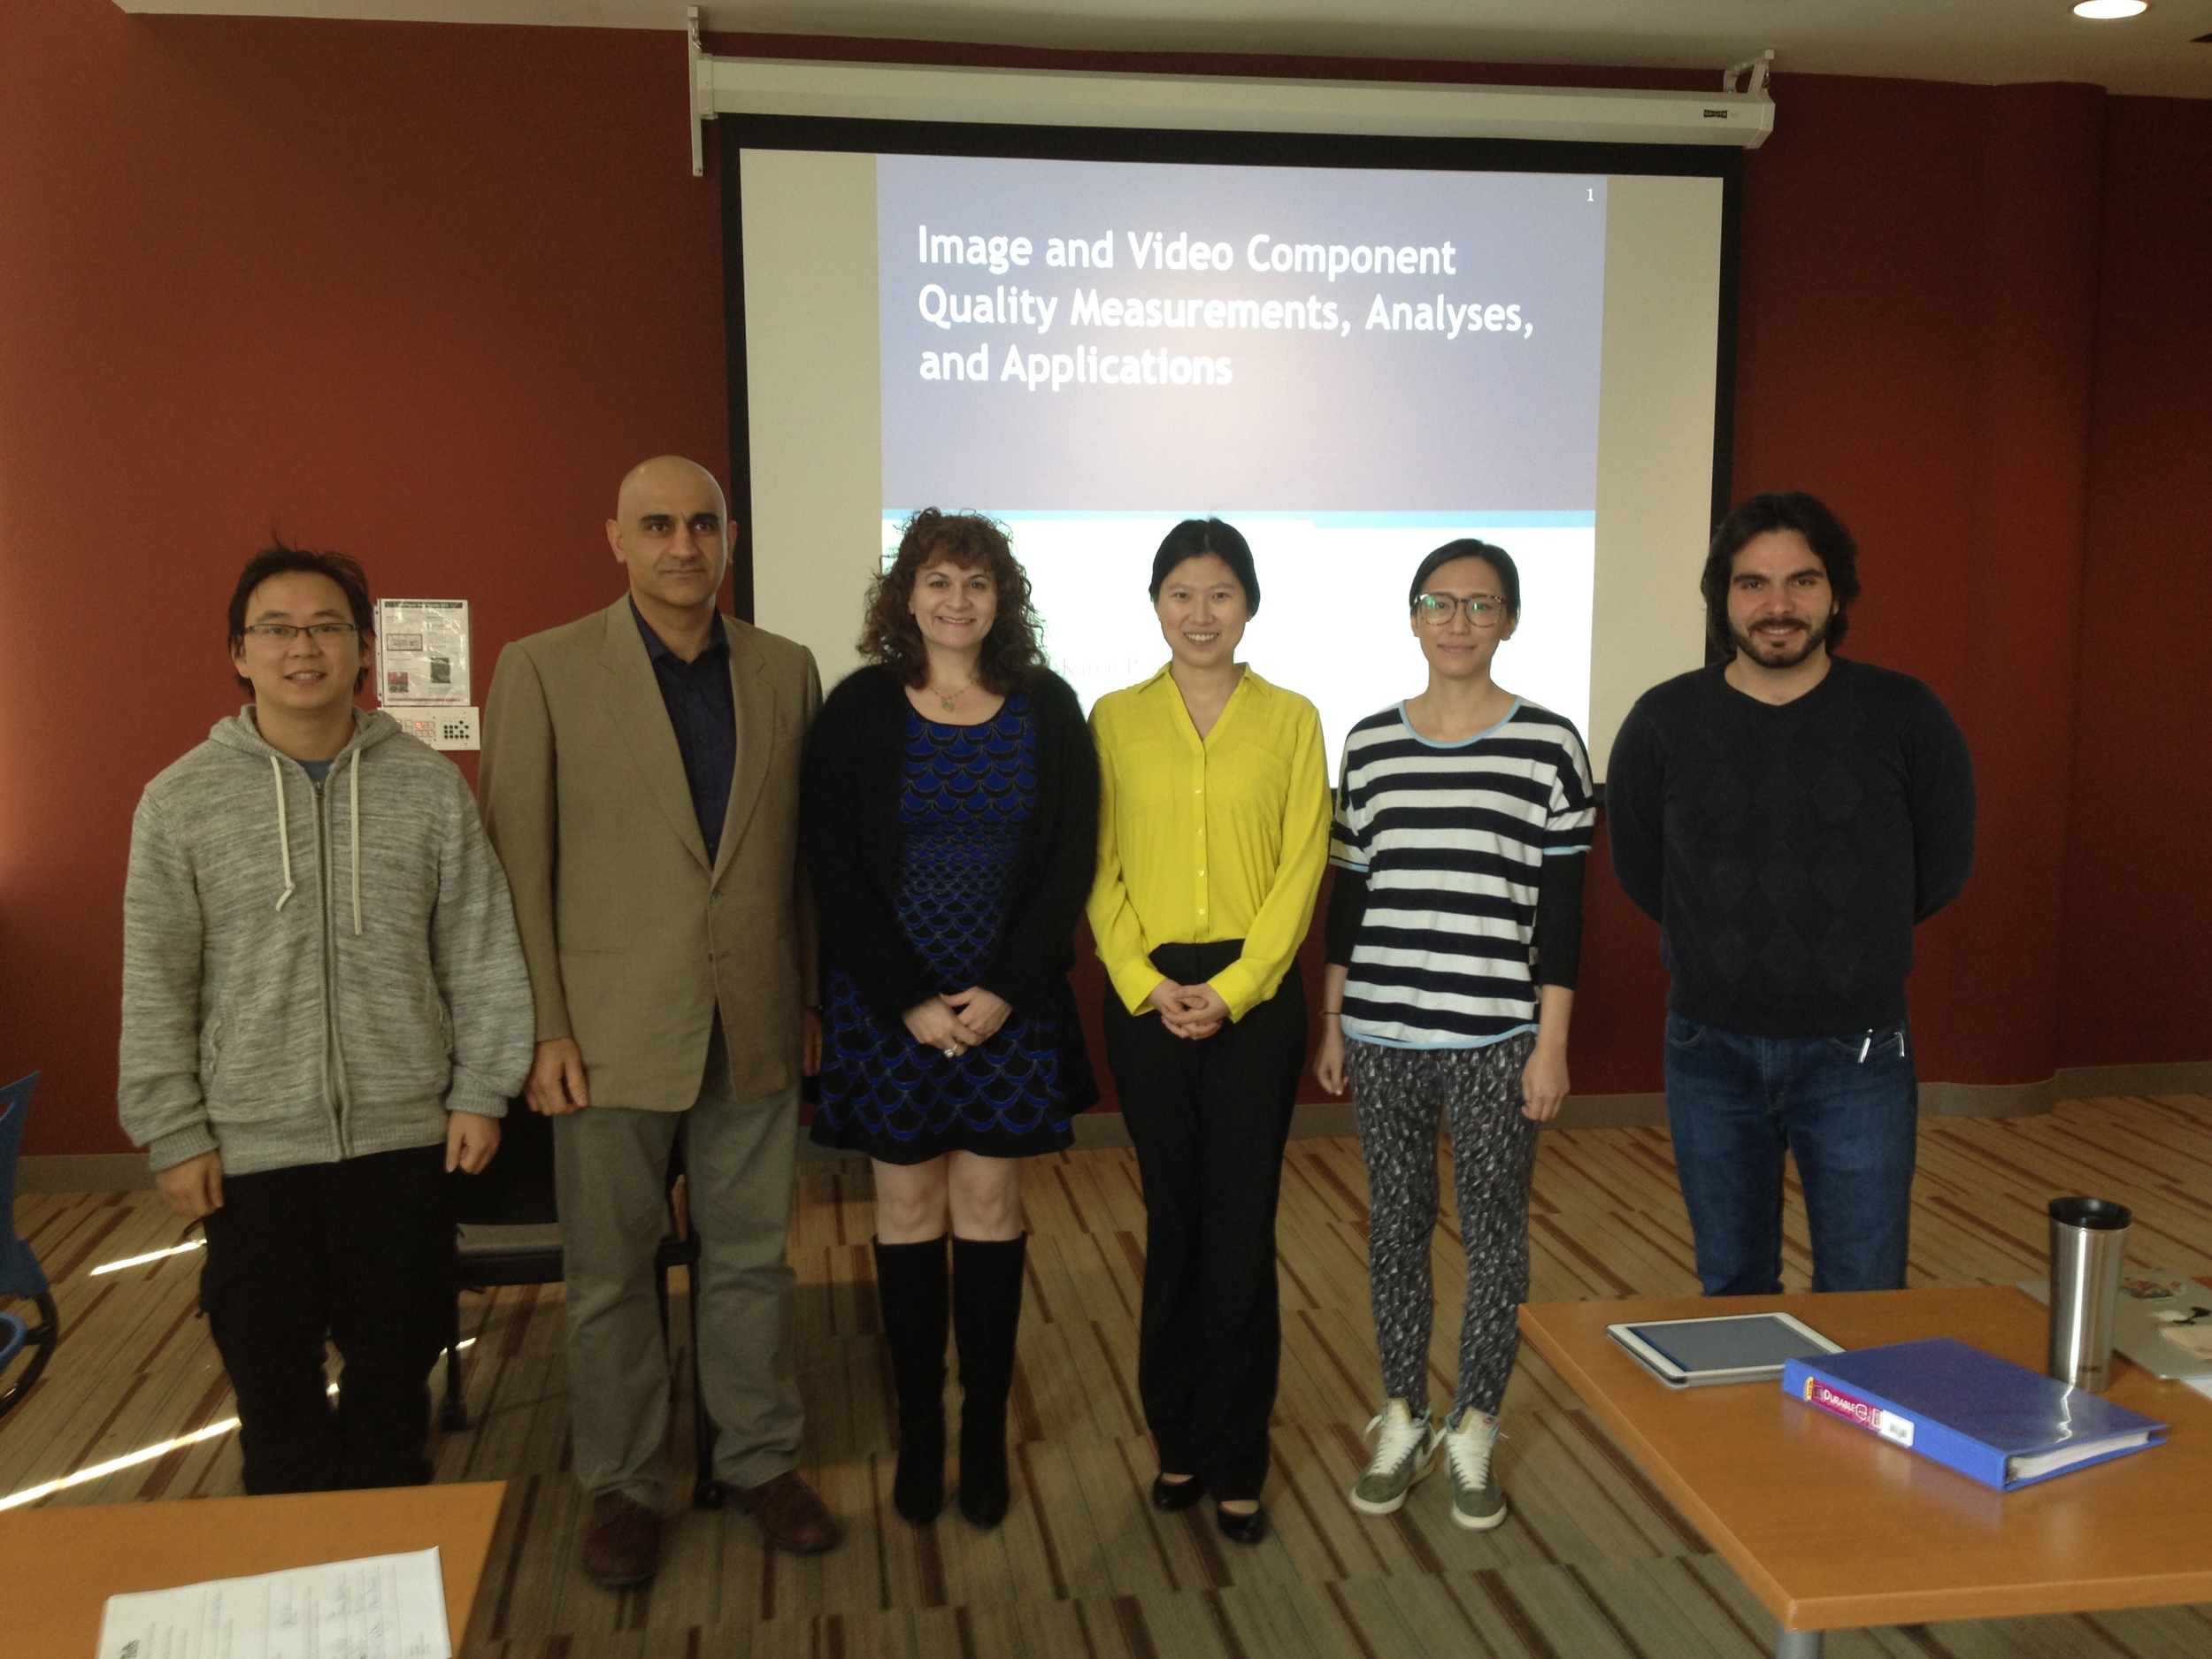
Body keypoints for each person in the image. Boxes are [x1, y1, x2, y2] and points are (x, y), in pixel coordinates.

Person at [478, 456, 832, 1587]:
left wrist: (811, 994)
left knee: (750, 1266)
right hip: (605, 1035)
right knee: (612, 1277)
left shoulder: (786, 670)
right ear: (616, 540)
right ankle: (624, 1486)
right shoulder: (540, 670)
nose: (684, 544)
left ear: (728, 538)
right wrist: (542, 1029)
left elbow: (803, 864)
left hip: (757, 1020)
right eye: (658, 525)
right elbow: (517, 868)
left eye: (703, 524)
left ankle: (758, 1460)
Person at [119, 543, 534, 1494]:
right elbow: (156, 978)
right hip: (252, 1155)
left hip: (405, 1142)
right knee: (278, 1411)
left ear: (361, 648)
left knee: (395, 1397)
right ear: (238, 652)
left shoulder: (428, 786)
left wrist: (481, 1090)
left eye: (326, 628)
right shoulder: (179, 802)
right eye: (277, 629)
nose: (302, 648)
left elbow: (477, 948)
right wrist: (173, 1129)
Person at [800, 510, 1098, 1531]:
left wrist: (1009, 986)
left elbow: (1070, 861)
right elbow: (831, 868)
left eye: (976, 581)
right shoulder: (860, 710)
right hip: (891, 1010)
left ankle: (981, 1433)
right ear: (906, 594)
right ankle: (918, 1431)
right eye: (937, 579)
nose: (956, 599)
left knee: (988, 1212)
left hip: (1006, 1008)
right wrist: (909, 1000)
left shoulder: (1048, 708)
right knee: (909, 1215)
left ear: (1001, 598)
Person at [1606, 491, 1975, 1297]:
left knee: (1865, 1291)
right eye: (1752, 584)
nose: (1777, 606)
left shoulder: (1904, 714)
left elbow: (1943, 864)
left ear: (1836, 595)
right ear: (1723, 598)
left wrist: (1852, 939)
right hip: (1709, 1052)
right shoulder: (1663, 721)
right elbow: (1641, 867)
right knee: (1732, 1285)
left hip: (1859, 1051)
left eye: (1802, 582)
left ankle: (1851, 1427)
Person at [1313, 540, 1594, 1533]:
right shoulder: (1369, 744)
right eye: (1439, 602)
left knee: (1493, 1240)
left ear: (1509, 620)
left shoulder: (1551, 745)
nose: (1459, 620)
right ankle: (1402, 1413)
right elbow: (1351, 891)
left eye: (1481, 605)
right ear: (1412, 616)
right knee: (1394, 1230)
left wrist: (1550, 1044)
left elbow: (1560, 916)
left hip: (1495, 1039)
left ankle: (1475, 1422)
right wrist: (1334, 1015)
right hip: (1382, 1033)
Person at [1087, 518, 1331, 1545]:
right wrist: (1145, 983)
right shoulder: (1109, 717)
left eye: (1220, 593)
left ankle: (1238, 1455)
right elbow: (1093, 869)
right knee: (1174, 1223)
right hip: (1145, 998)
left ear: (1250, 604)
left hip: (1255, 997)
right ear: (1154, 604)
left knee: (1240, 1224)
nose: (1200, 613)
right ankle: (1174, 1440)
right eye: (1180, 593)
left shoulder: (1291, 718)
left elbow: (1301, 865)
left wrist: (1239, 985)